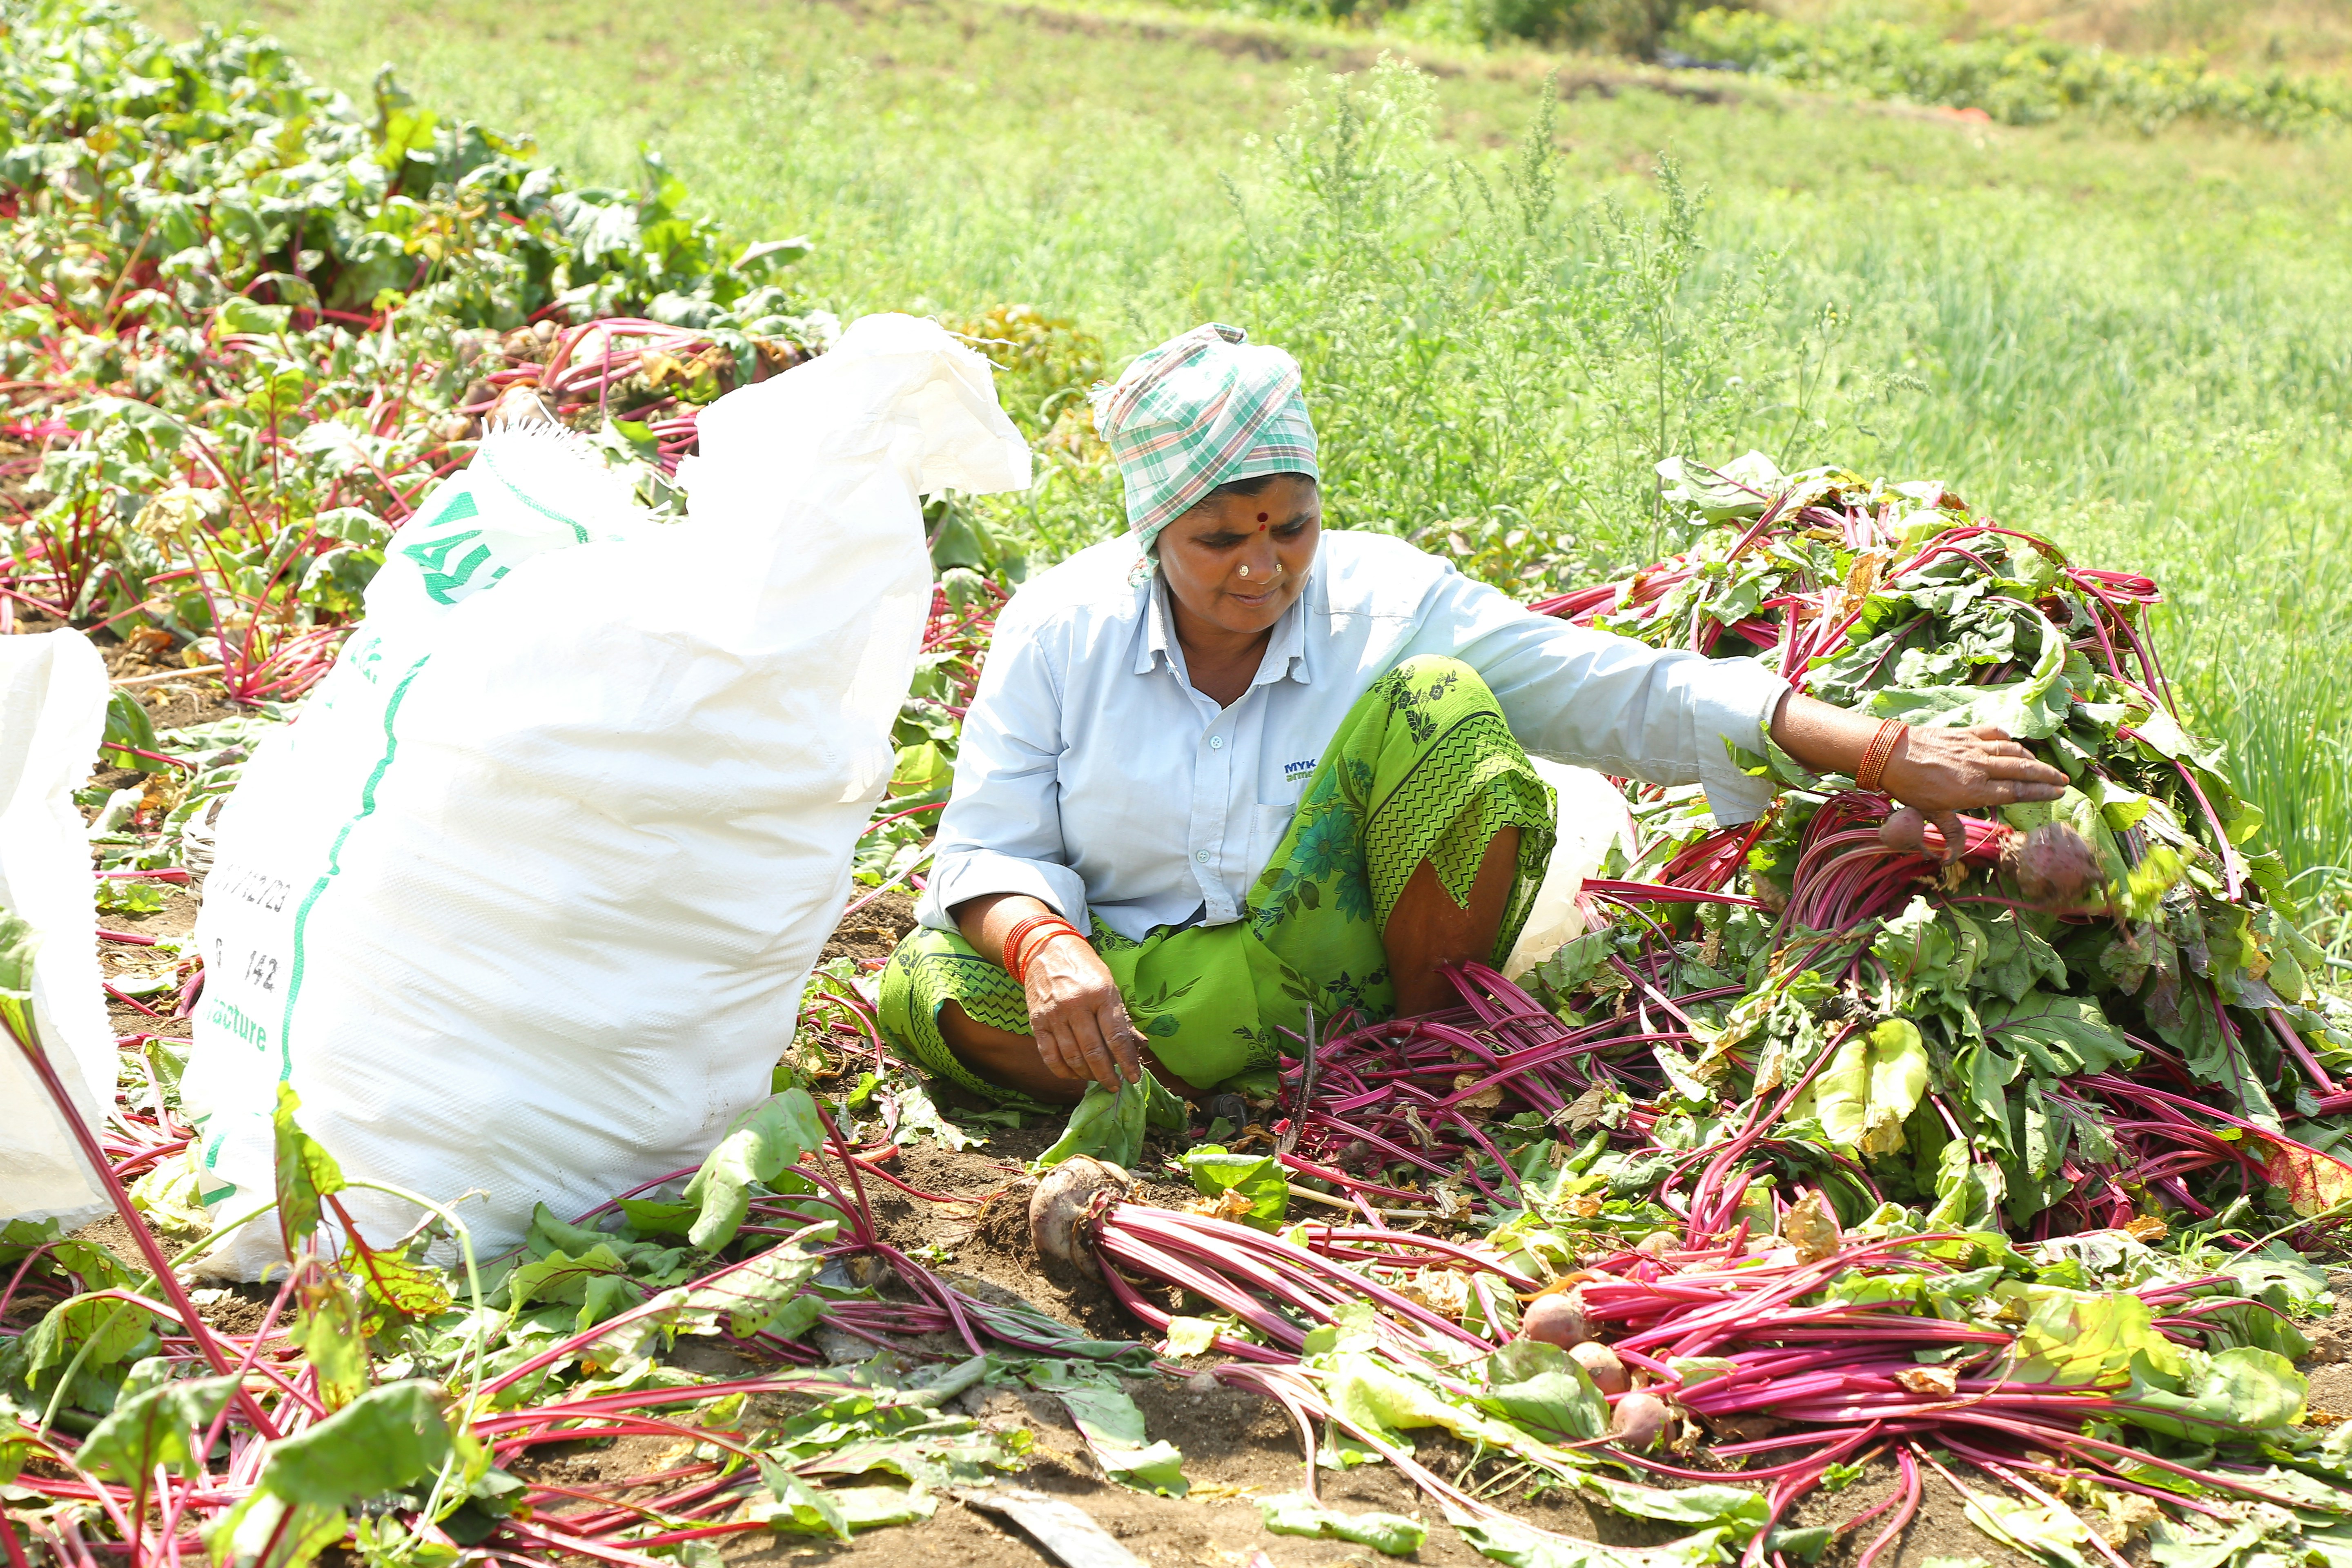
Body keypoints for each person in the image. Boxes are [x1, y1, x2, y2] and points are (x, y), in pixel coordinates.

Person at [877, 323, 2065, 1105]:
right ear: (1152, 536)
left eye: (1289, 525)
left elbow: (1616, 687)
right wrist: (1045, 948)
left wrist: (1884, 748)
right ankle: (1199, 1080)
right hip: (1130, 978)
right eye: (1218, 538)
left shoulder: (1387, 598)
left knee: (1446, 709)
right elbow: (989, 842)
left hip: (1337, 976)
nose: (1262, 565)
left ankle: (1398, 1066)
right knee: (932, 989)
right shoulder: (1060, 628)